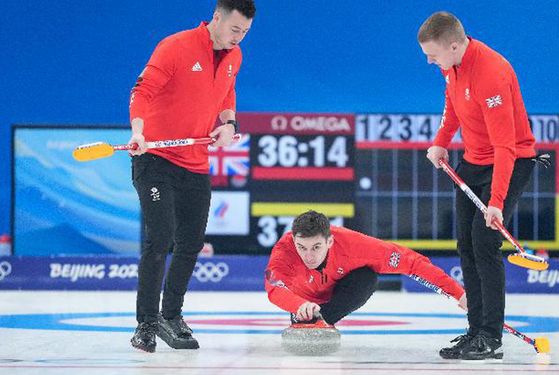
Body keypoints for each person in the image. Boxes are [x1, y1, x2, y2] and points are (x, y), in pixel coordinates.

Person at [127, 0, 256, 353]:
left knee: (190, 243)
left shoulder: (234, 56)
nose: (238, 38)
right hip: (155, 157)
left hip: (196, 163)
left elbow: (226, 94)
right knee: (161, 238)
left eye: (245, 33)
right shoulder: (175, 46)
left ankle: (171, 316)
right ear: (216, 18)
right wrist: (138, 132)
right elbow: (142, 92)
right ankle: (146, 324)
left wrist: (228, 124)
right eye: (234, 30)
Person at [418, 11, 538, 360]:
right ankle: (475, 331)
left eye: (433, 54)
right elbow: (452, 105)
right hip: (473, 160)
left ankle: (491, 337)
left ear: (454, 45)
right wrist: (442, 140)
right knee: (465, 243)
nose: (429, 61)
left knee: (485, 243)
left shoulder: (492, 74)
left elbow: (506, 146)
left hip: (510, 162)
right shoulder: (451, 65)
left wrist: (497, 200)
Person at [265, 210, 467, 336]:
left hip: (336, 295)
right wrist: (299, 305)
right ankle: (308, 317)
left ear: (330, 241)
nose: (308, 256)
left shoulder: (354, 246)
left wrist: (460, 294)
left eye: (316, 247)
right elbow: (274, 288)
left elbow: (413, 263)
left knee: (367, 277)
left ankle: (323, 319)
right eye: (302, 247)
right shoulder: (284, 250)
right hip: (303, 300)